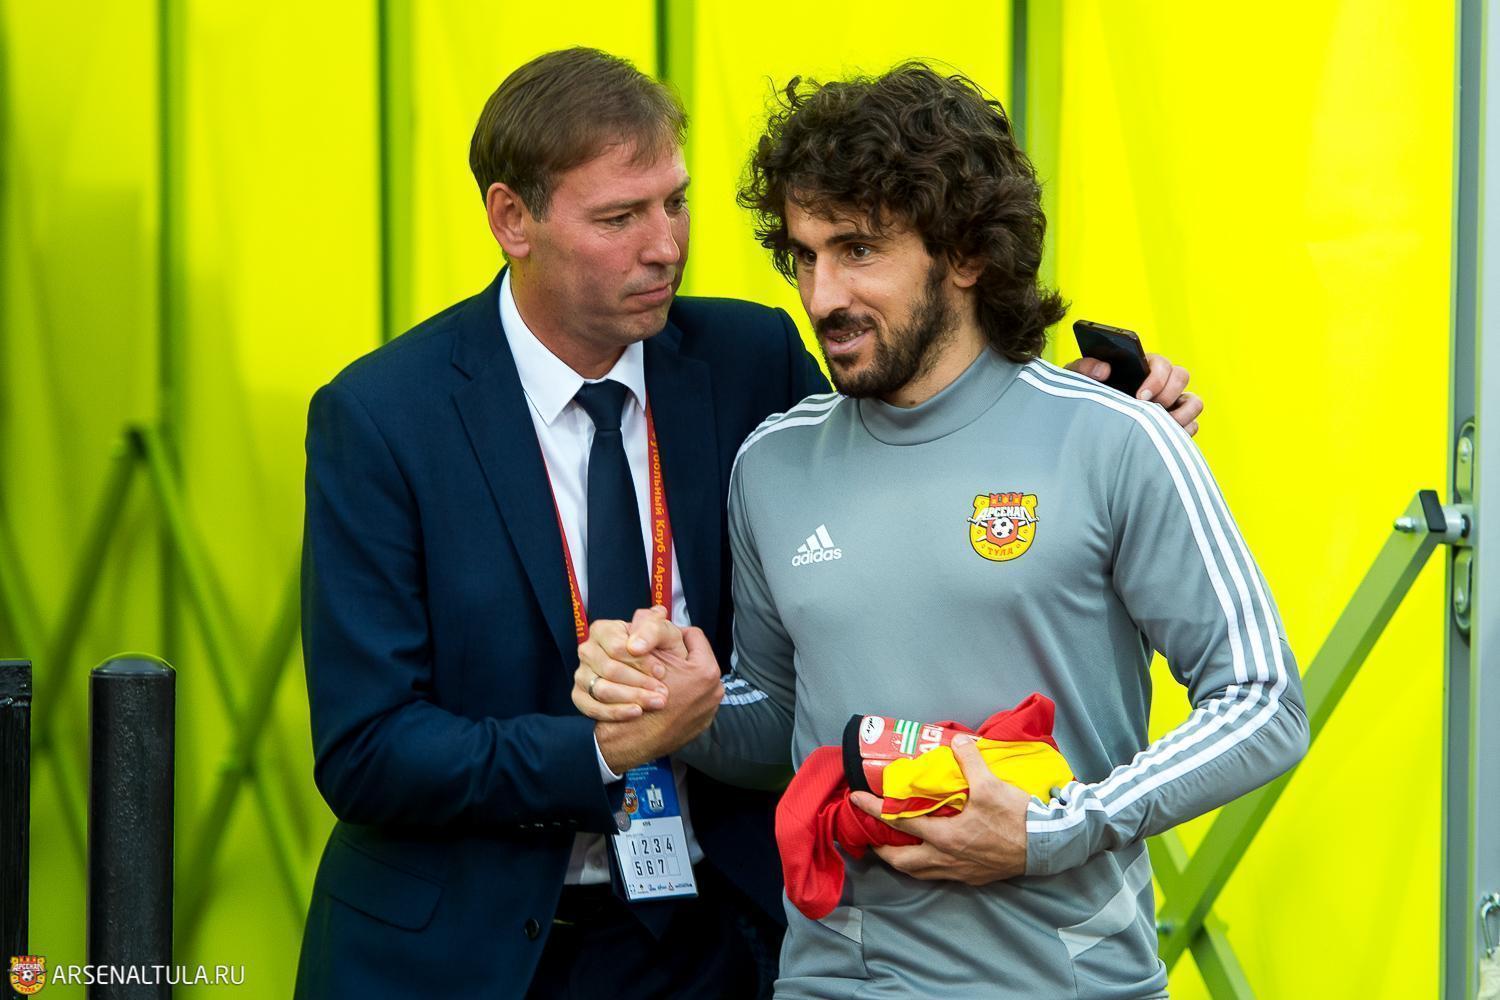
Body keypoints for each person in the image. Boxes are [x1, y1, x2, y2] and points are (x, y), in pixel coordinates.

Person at [295, 48, 1203, 999]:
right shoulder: (384, 419)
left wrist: (1088, 419)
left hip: (716, 941)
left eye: (676, 202)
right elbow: (366, 751)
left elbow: (910, 446)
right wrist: (600, 750)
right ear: (511, 219)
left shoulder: (748, 359)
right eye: (620, 218)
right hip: (467, 958)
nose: (666, 247)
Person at [573, 64, 1307, 999]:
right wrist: (688, 704)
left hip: (1068, 984)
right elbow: (780, 724)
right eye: (803, 255)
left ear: (964, 253)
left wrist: (1053, 829)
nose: (821, 295)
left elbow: (1262, 702)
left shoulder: (1117, 437)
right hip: (830, 984)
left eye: (858, 250)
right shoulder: (772, 464)